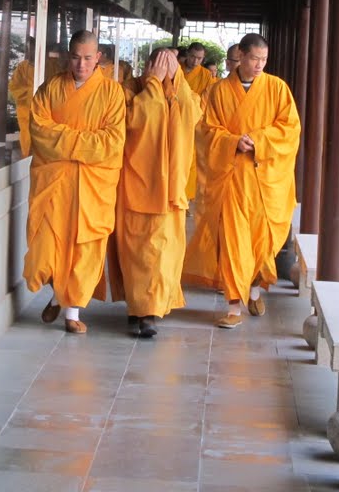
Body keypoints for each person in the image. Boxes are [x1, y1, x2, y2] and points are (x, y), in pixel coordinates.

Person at [182, 33, 301, 329]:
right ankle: (234, 304)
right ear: (240, 56)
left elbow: (290, 129)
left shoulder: (278, 89)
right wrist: (233, 141)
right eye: (253, 59)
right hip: (232, 179)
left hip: (264, 182)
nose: (259, 65)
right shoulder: (219, 91)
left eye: (264, 60)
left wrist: (259, 139)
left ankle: (255, 289)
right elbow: (205, 130)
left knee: (263, 242)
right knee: (234, 242)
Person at [23, 30, 126, 334]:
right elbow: (39, 131)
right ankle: (57, 291)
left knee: (85, 247)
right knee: (48, 245)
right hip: (54, 181)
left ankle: (71, 310)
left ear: (99, 59)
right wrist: (82, 144)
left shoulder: (112, 93)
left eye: (88, 58)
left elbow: (112, 142)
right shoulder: (49, 89)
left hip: (92, 185)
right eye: (75, 57)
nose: (81, 64)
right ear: (68, 56)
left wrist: (64, 139)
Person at [105, 47, 202, 337]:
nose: (165, 69)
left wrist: (175, 81)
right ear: (148, 66)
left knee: (162, 253)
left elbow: (193, 114)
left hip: (170, 191)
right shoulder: (128, 91)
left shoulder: (183, 94)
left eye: (171, 64)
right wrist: (152, 83)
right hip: (136, 186)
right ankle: (139, 307)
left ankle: (150, 312)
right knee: (136, 254)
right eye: (160, 64)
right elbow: (135, 121)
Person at [182, 42, 215, 200]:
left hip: (195, 120)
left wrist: (195, 114)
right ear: (187, 54)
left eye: (199, 59)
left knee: (192, 159)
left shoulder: (206, 75)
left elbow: (206, 99)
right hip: (174, 119)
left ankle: (187, 197)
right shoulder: (176, 69)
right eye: (193, 57)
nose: (195, 61)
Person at [8, 38, 37, 157]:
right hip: (26, 111)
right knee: (27, 138)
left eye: (32, 48)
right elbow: (14, 88)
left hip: (44, 112)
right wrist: (32, 92)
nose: (29, 51)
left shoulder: (48, 64)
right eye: (28, 49)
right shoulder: (22, 67)